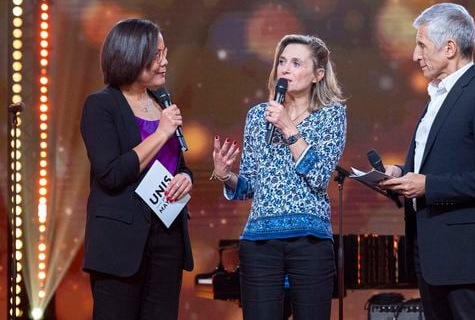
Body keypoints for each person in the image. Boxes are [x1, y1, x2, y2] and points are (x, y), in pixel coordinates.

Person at [377, 3, 475, 320]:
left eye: (422, 45)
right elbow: (430, 166)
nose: (415, 55)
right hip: (429, 251)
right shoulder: (435, 98)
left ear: (450, 48)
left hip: (465, 254)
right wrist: (400, 173)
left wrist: (428, 185)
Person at [212, 34, 347, 320]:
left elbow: (320, 176)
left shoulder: (331, 115)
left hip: (309, 241)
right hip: (260, 243)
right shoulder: (258, 116)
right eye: (282, 62)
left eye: (296, 63)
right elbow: (249, 186)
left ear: (317, 74)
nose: (285, 69)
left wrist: (288, 128)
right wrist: (225, 176)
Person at [80, 18, 193, 320]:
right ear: (132, 54)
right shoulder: (101, 105)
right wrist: (160, 133)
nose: (165, 61)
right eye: (157, 55)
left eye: (165, 53)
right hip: (120, 242)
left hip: (166, 237)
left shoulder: (161, 103)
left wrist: (185, 177)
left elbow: (177, 164)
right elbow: (111, 174)